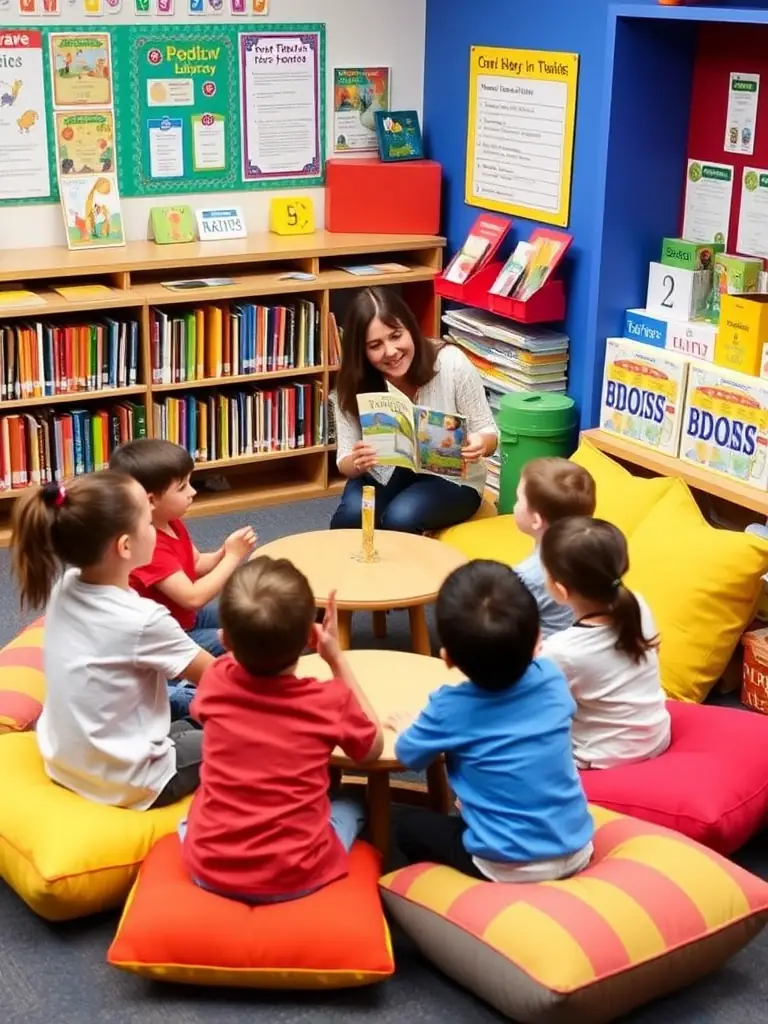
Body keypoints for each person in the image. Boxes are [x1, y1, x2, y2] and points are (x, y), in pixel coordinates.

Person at [181, 557, 385, 904]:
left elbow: (205, 712)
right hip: (297, 876)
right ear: (311, 636)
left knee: (190, 819)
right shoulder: (327, 701)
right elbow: (371, 748)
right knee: (352, 801)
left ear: (224, 639)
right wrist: (337, 659)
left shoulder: (215, 679)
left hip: (208, 868)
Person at [10, 472, 213, 809]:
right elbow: (222, 677)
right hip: (133, 783)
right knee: (247, 736)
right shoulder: (143, 620)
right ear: (125, 546)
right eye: (149, 523)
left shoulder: (67, 584)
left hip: (65, 761)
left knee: (189, 718)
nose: (156, 530)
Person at [388, 560, 594, 882]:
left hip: (504, 865)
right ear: (538, 638)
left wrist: (407, 727)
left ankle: (451, 891)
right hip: (577, 846)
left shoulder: (450, 707)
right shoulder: (553, 678)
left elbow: (407, 756)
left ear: (447, 658)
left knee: (407, 829)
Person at [330, 287, 498, 535]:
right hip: (386, 471)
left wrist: (480, 443)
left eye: (396, 336)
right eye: (375, 345)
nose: (391, 351)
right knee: (350, 519)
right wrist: (357, 463)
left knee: (401, 518)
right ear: (361, 352)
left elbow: (489, 432)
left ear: (410, 329)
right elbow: (344, 459)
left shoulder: (451, 364)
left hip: (452, 478)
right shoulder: (353, 384)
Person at [110, 439, 257, 716]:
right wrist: (233, 558)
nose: (192, 492)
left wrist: (224, 551)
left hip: (182, 620)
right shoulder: (147, 546)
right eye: (182, 487)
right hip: (167, 635)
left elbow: (197, 562)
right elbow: (193, 597)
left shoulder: (170, 521)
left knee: (249, 615)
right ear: (150, 501)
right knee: (239, 638)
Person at [540, 517, 671, 769]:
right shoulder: (637, 603)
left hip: (605, 756)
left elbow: (541, 707)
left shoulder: (561, 650)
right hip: (656, 735)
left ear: (561, 590)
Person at [513, 457, 596, 637]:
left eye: (518, 499)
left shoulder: (528, 575)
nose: (516, 504)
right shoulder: (592, 552)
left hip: (533, 656)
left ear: (536, 520)